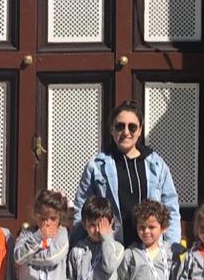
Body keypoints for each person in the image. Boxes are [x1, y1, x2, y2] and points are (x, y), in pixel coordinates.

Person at [74, 100, 181, 250]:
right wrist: (77, 248)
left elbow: (170, 208)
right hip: (110, 251)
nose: (126, 132)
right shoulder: (96, 166)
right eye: (120, 126)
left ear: (140, 130)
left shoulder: (156, 165)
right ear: (112, 129)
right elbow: (81, 210)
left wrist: (172, 248)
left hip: (150, 253)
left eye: (132, 127)